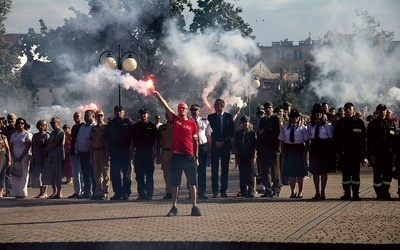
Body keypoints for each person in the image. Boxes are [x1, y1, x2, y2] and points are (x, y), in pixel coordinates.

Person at [153, 91, 201, 216]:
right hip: (176, 156)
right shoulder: (175, 120)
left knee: (192, 183)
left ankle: (194, 207)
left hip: (189, 156)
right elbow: (166, 107)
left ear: (187, 110)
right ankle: (174, 207)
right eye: (180, 108)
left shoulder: (193, 124)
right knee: (175, 183)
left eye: (184, 108)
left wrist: (196, 157)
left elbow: (196, 141)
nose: (181, 110)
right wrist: (159, 96)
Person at [334, 102, 367, 201]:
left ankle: (356, 194)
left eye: (350, 108)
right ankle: (347, 193)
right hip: (344, 153)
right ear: (344, 110)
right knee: (346, 175)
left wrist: (363, 154)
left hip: (356, 153)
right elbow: (336, 139)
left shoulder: (359, 122)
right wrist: (337, 152)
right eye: (346, 108)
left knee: (356, 174)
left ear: (354, 109)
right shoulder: (340, 123)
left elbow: (363, 139)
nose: (348, 110)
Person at [104, 105, 134, 200]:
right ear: (114, 113)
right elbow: (106, 139)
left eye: (120, 111)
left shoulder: (128, 123)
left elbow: (133, 139)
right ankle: (117, 193)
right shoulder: (111, 124)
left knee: (126, 173)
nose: (118, 113)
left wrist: (132, 151)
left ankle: (126, 192)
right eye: (117, 111)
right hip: (114, 152)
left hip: (125, 151)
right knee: (115, 173)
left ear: (123, 112)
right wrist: (107, 151)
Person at [367, 104, 396, 200]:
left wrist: (394, 153)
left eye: (384, 110)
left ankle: (385, 193)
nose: (383, 111)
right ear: (377, 111)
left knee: (388, 174)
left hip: (388, 154)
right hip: (377, 154)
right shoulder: (373, 123)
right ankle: (379, 193)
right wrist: (370, 155)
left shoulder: (391, 123)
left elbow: (394, 140)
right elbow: (369, 140)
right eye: (380, 110)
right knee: (377, 174)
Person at [279, 109, 309, 198]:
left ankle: (300, 191)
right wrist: (283, 151)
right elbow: (282, 140)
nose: (294, 118)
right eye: (292, 117)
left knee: (300, 173)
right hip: (289, 149)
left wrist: (305, 153)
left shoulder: (303, 128)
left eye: (296, 117)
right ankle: (292, 191)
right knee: (291, 172)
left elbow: (307, 141)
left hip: (299, 149)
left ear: (299, 117)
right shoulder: (285, 127)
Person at [208, 99, 234, 198]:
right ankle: (214, 191)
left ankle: (223, 190)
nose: (214, 107)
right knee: (214, 169)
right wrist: (215, 142)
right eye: (215, 105)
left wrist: (223, 142)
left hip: (225, 146)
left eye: (216, 105)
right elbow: (209, 132)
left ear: (221, 106)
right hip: (215, 146)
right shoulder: (211, 117)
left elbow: (231, 133)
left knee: (224, 169)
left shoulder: (229, 117)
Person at [131, 108, 158, 200]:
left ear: (148, 115)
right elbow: (132, 140)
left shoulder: (152, 126)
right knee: (139, 175)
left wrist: (155, 151)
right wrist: (132, 152)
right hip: (139, 152)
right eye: (141, 114)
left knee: (149, 174)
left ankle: (149, 194)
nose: (143, 115)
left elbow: (155, 140)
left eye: (145, 114)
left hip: (149, 152)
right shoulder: (135, 126)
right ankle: (141, 194)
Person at [307, 103, 333, 200]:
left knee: (323, 172)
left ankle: (323, 192)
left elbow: (330, 137)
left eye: (320, 113)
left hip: (324, 147)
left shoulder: (327, 125)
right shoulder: (310, 125)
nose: (318, 115)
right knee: (315, 171)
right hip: (314, 147)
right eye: (316, 113)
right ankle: (317, 192)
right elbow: (309, 137)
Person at [258, 102, 282, 197]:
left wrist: (278, 148)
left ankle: (276, 190)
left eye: (269, 108)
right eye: (266, 108)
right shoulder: (262, 120)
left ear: (272, 109)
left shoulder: (276, 119)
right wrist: (259, 149)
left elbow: (280, 135)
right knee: (265, 170)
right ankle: (267, 190)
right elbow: (259, 135)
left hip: (273, 148)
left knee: (275, 170)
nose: (267, 109)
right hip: (264, 149)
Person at [190, 104, 211, 199]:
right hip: (191, 147)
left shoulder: (205, 121)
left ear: (199, 111)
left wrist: (209, 149)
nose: (194, 112)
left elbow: (208, 135)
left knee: (202, 171)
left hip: (203, 147)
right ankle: (191, 193)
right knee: (190, 170)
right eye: (192, 110)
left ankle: (202, 192)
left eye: (196, 110)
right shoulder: (188, 122)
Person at [76, 110, 97, 199]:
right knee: (85, 174)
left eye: (87, 116)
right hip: (82, 154)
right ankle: (87, 192)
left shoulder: (95, 127)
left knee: (93, 173)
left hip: (91, 154)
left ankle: (95, 191)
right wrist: (76, 151)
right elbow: (78, 140)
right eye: (85, 116)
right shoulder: (82, 127)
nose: (85, 117)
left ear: (93, 116)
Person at [89, 110, 110, 200]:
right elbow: (91, 142)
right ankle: (98, 191)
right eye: (97, 116)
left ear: (103, 116)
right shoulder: (93, 128)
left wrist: (107, 154)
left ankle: (105, 192)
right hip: (95, 152)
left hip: (103, 151)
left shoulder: (106, 128)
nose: (99, 117)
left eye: (101, 116)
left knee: (105, 173)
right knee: (96, 174)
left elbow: (108, 141)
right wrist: (91, 156)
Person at [43, 116, 65, 199]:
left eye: (54, 122)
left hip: (57, 155)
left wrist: (47, 149)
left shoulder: (60, 132)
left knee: (57, 174)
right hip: (51, 156)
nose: (52, 124)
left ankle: (59, 192)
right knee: (52, 174)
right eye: (51, 123)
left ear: (58, 123)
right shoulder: (52, 133)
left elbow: (56, 142)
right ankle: (54, 192)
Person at [235, 115, 257, 197]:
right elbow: (236, 146)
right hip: (241, 156)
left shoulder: (252, 133)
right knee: (242, 174)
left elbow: (255, 146)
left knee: (250, 174)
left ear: (249, 123)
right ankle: (243, 191)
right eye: (243, 122)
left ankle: (251, 191)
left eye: (246, 122)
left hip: (249, 156)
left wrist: (254, 157)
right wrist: (237, 158)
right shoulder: (238, 133)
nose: (244, 124)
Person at [9, 118, 32, 198]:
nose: (20, 125)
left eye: (22, 123)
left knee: (24, 173)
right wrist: (14, 156)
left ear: (24, 124)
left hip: (24, 156)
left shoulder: (26, 134)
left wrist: (21, 156)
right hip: (15, 156)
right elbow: (11, 146)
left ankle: (22, 193)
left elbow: (27, 146)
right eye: (18, 123)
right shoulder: (14, 135)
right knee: (15, 174)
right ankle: (15, 193)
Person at [31, 120, 50, 198]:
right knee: (38, 174)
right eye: (39, 125)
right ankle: (40, 191)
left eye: (42, 125)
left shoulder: (46, 135)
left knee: (44, 174)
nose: (40, 127)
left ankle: (45, 192)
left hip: (44, 156)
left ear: (45, 126)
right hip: (36, 155)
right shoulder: (35, 135)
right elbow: (32, 146)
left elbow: (48, 146)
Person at [68, 112, 84, 199]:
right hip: (72, 152)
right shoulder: (74, 127)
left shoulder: (83, 126)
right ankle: (77, 191)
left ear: (81, 117)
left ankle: (82, 191)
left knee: (81, 173)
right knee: (75, 173)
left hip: (80, 152)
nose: (76, 118)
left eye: (77, 116)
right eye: (74, 116)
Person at [158, 113, 174, 199]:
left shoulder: (177, 126)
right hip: (165, 152)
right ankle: (168, 192)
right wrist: (158, 153)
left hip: (175, 152)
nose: (168, 117)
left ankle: (175, 192)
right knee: (166, 173)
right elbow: (158, 142)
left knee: (175, 173)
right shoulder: (162, 128)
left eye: (170, 116)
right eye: (167, 116)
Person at [2, 113, 17, 197]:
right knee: (7, 172)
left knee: (16, 172)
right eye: (9, 119)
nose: (11, 120)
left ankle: (17, 190)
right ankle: (9, 190)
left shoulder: (18, 129)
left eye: (12, 119)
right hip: (6, 153)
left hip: (17, 153)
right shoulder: (5, 130)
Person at [0, 121, 11, 198]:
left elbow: (8, 149)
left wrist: (9, 159)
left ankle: (0, 192)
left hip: (2, 156)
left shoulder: (3, 137)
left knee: (2, 174)